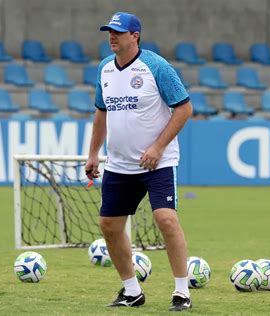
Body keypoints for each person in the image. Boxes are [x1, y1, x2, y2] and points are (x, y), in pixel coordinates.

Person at [85, 11, 194, 312]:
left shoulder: (157, 67)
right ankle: (131, 291)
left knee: (165, 219)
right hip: (119, 164)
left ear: (135, 36)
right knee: (109, 225)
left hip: (157, 162)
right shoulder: (105, 69)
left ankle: (182, 291)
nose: (112, 36)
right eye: (109, 31)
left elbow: (184, 109)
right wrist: (94, 153)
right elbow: (101, 112)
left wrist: (158, 147)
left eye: (118, 32)